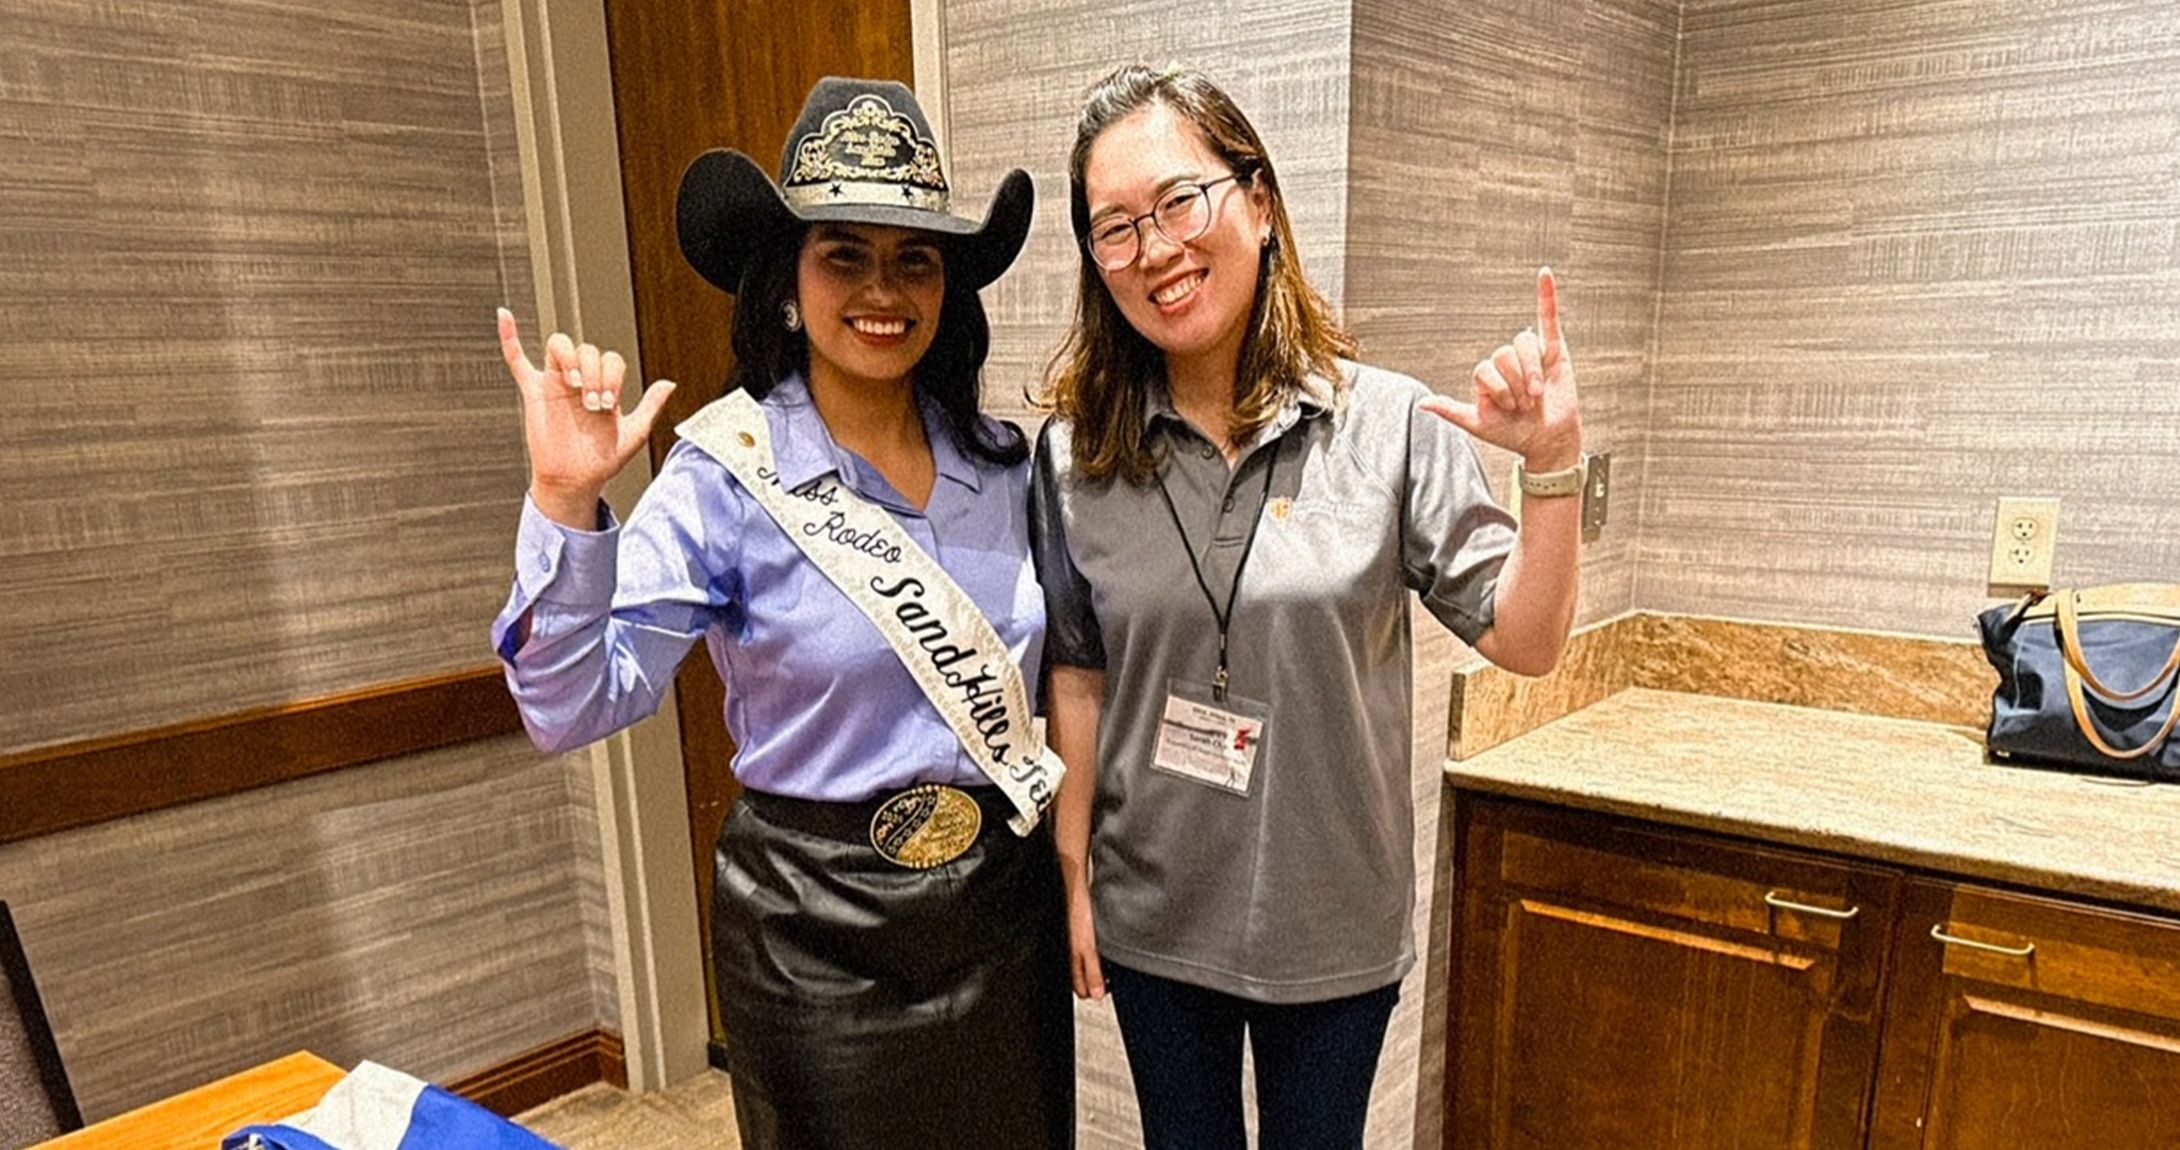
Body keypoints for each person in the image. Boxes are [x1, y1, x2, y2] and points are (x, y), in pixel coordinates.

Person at [490, 77, 1073, 1150]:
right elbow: (568, 705)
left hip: (1001, 915)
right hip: (813, 939)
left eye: (914, 257)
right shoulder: (726, 472)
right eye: (842, 253)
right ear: (786, 281)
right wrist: (566, 503)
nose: (880, 288)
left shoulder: (1004, 469)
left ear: (948, 285)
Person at [1031, 64, 1583, 1150]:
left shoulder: (1387, 423)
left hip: (1331, 923)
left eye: (1179, 200)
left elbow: (1527, 638)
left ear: (1259, 201)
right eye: (1114, 227)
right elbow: (1079, 672)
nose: (1154, 248)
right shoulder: (1073, 456)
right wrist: (1071, 876)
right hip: (1156, 917)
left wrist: (1553, 468)